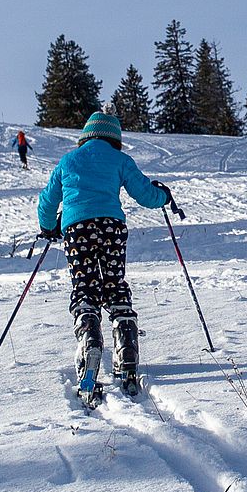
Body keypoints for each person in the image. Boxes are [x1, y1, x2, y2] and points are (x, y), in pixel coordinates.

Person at [37, 112, 171, 402]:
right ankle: (126, 349)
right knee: (114, 284)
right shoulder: (119, 159)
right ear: (115, 138)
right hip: (112, 227)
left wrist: (49, 227)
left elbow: (47, 200)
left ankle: (89, 340)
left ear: (86, 135)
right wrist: (163, 197)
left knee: (84, 287)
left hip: (77, 229)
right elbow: (145, 194)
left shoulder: (68, 161)